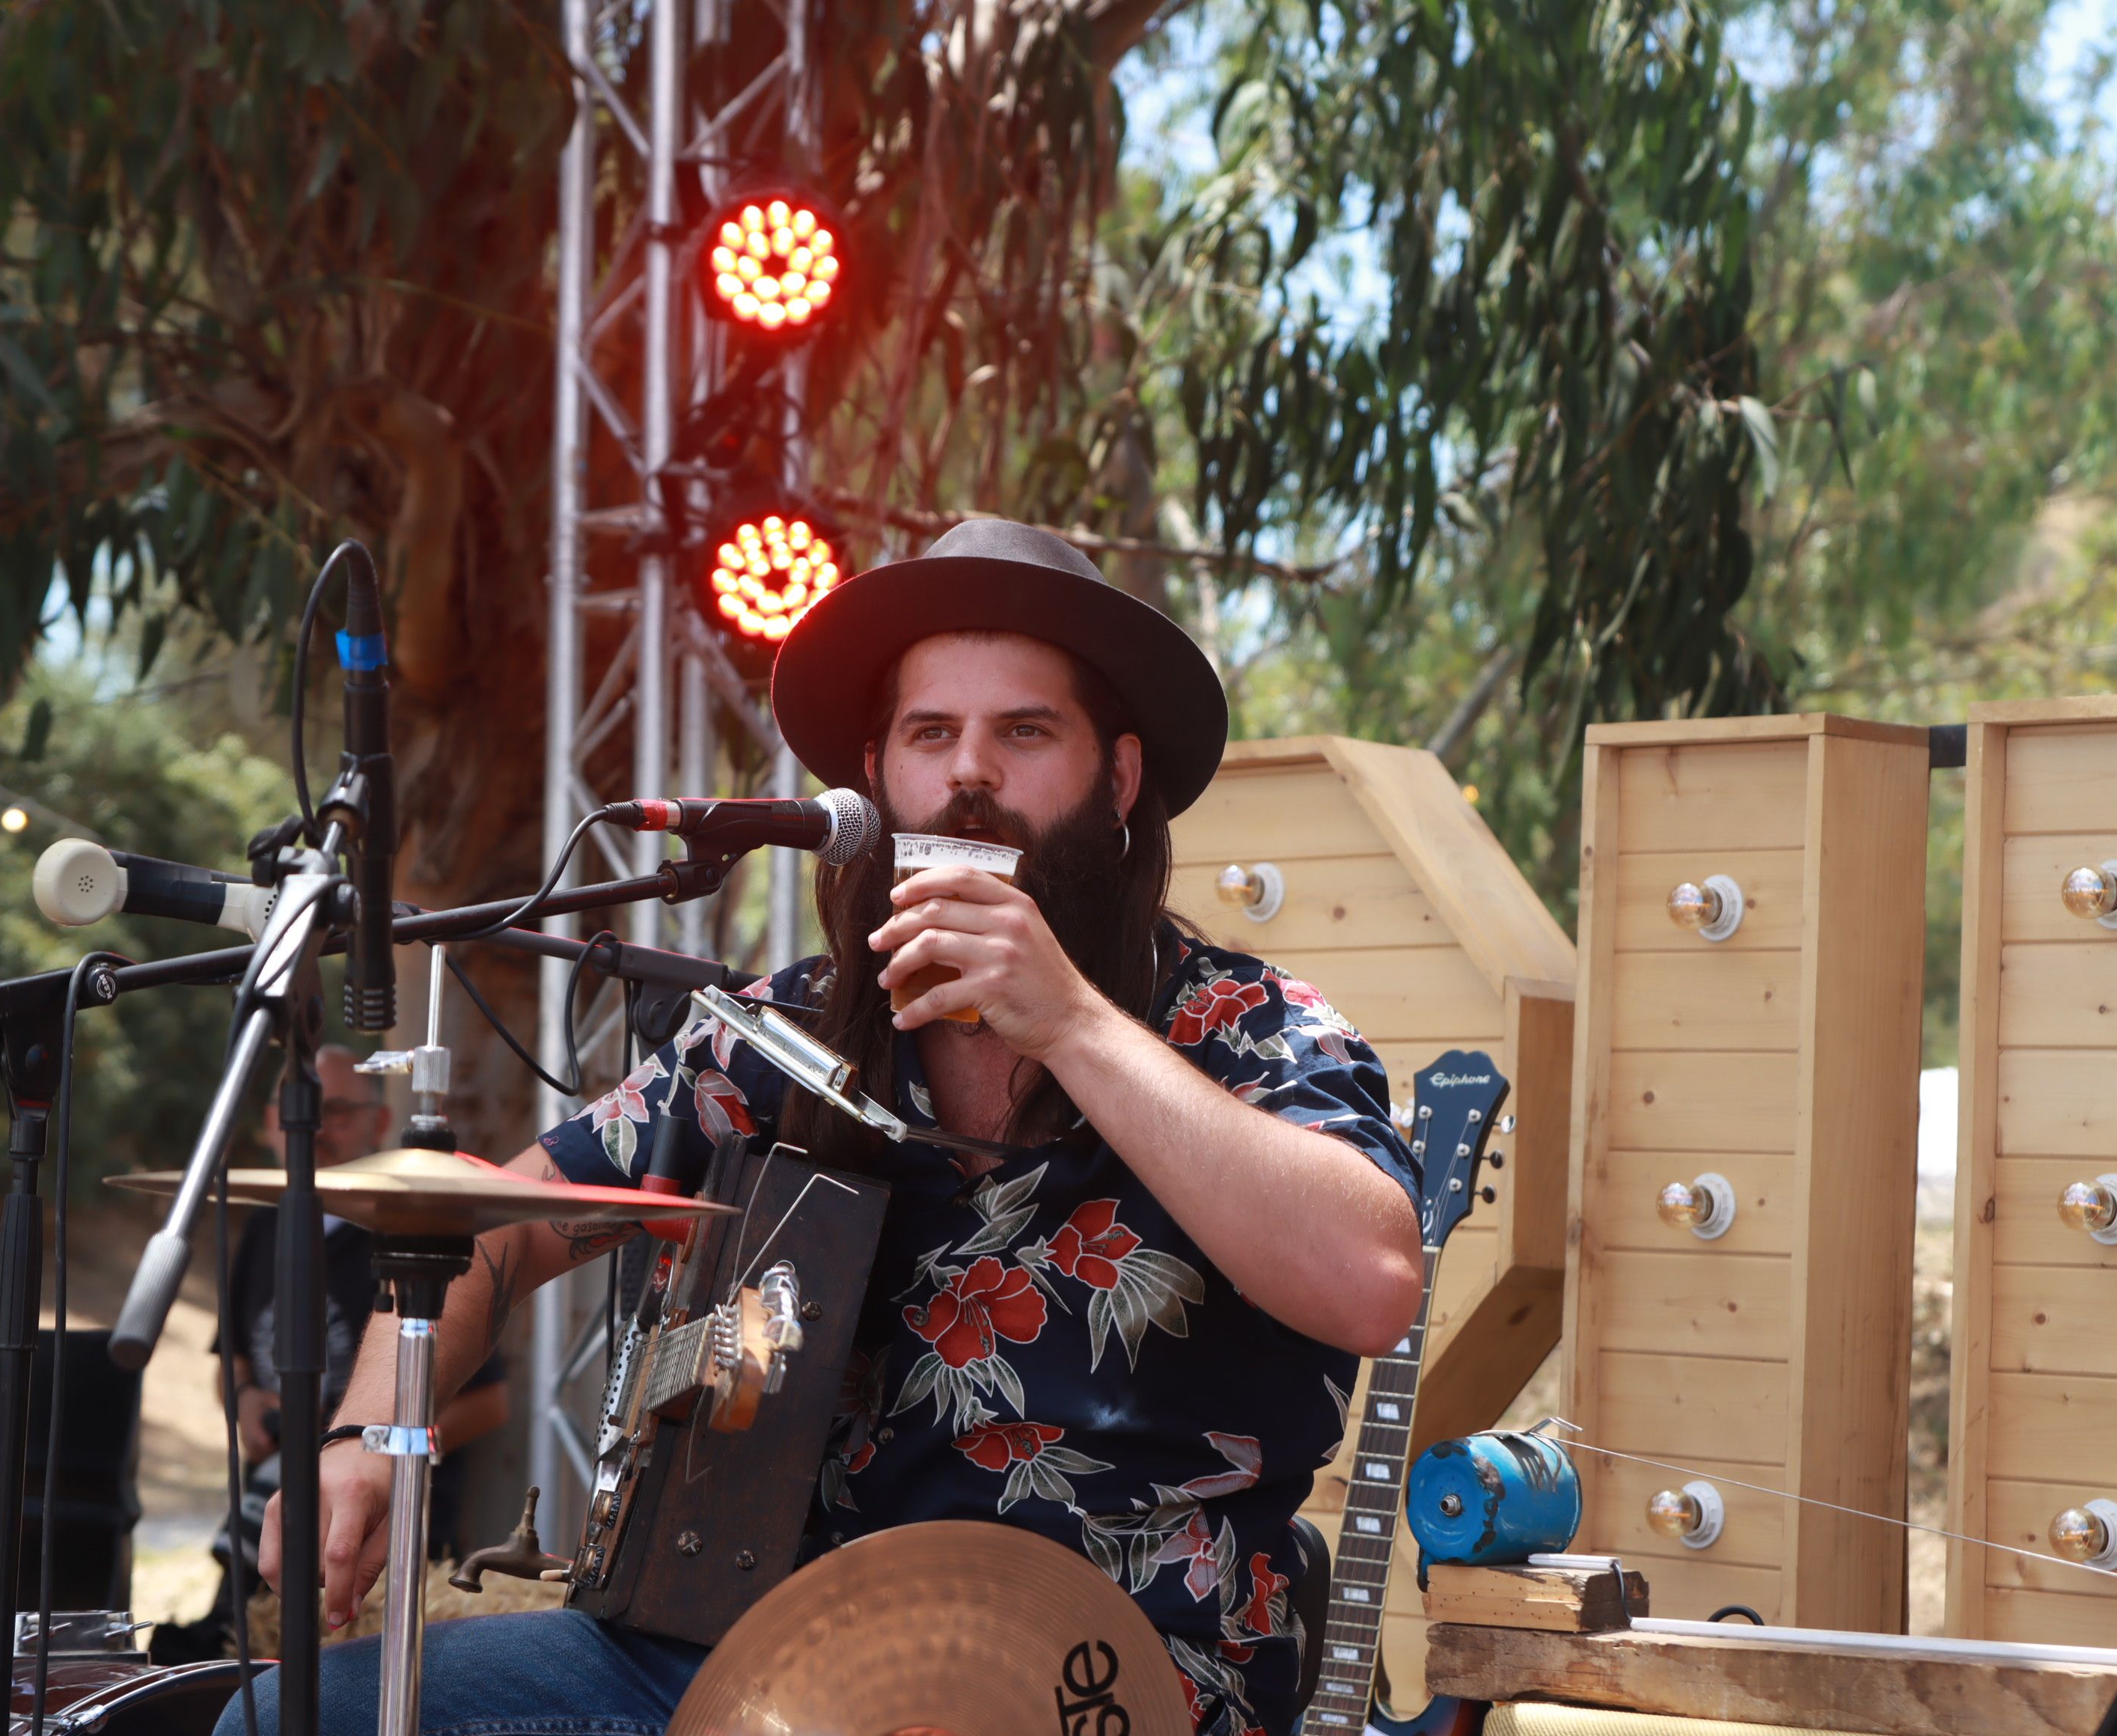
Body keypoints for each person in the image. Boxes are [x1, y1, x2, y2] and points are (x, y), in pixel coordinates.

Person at [219, 521, 1424, 1736]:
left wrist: (1069, 1022)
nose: (970, 776)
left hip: (1110, 1686)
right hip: (760, 1663)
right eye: (930, 735)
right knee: (285, 1719)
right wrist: (371, 1433)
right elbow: (491, 1227)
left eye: (1023, 732)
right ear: (872, 784)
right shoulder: (772, 1033)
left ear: (1116, 781)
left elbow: (1373, 1281)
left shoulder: (1246, 1026)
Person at [153, 1044, 509, 1663]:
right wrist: (245, 1401)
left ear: (378, 1122)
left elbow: (491, 1403)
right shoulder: (263, 1229)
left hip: (388, 1540)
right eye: (298, 1113)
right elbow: (232, 1362)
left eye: (338, 1111)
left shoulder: (409, 1233)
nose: (315, 1129)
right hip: (274, 1524)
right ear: (270, 1124)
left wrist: (369, 1447)